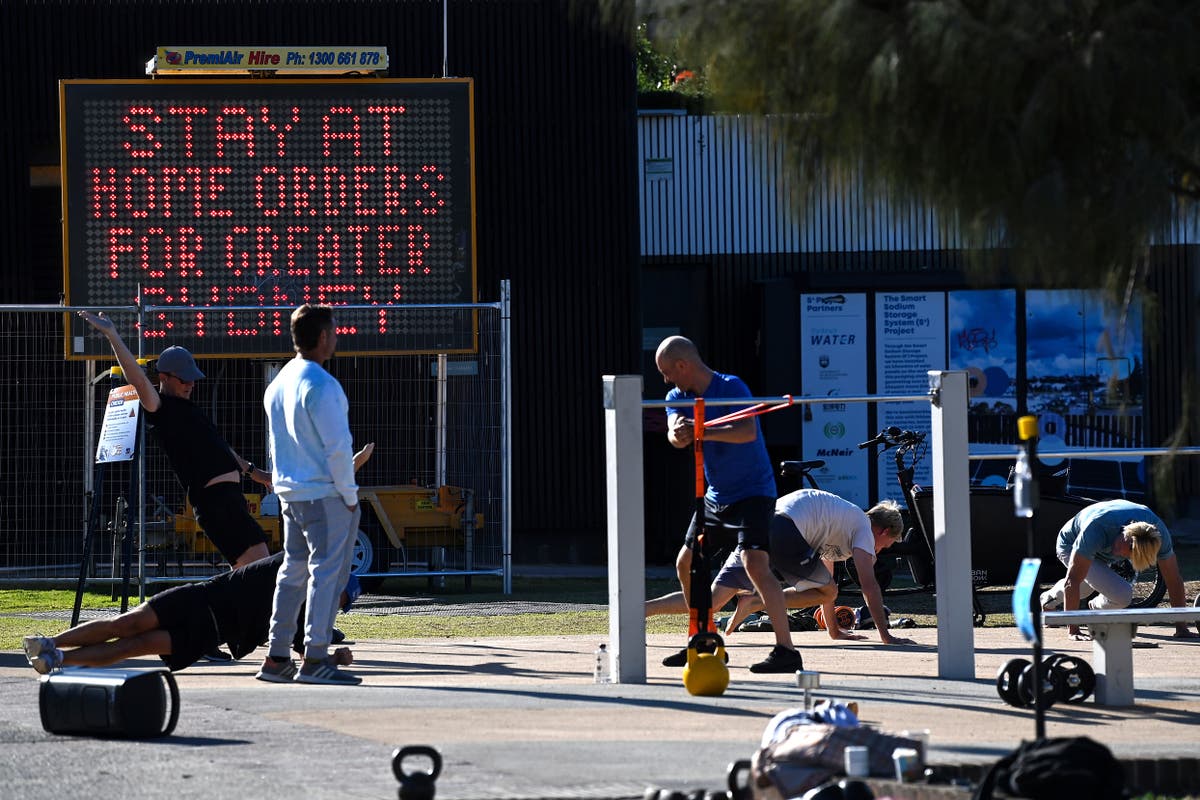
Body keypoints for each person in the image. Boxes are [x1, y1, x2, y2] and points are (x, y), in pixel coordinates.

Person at [78, 311, 273, 570]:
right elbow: (136, 378)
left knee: (252, 572)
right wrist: (112, 334)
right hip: (214, 502)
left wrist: (255, 472)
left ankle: (220, 608)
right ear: (163, 378)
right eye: (183, 379)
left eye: (193, 378)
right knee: (259, 570)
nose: (190, 384)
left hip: (230, 499)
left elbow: (219, 446)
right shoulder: (161, 408)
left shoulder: (190, 408)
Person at [655, 335, 802, 673]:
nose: (665, 379)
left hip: (754, 491)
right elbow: (674, 432)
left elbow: (746, 431)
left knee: (755, 563)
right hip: (716, 495)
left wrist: (702, 430)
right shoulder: (677, 396)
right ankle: (704, 639)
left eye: (667, 371)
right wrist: (679, 432)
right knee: (685, 562)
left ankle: (786, 650)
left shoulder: (731, 386)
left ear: (682, 365)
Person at [647, 489, 917, 646]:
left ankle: (642, 609)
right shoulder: (861, 527)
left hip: (760, 524)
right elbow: (868, 585)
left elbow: (825, 580)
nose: (881, 551)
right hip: (786, 527)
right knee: (828, 590)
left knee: (713, 600)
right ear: (883, 530)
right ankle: (754, 602)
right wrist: (886, 636)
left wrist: (833, 631)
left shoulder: (842, 524)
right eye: (887, 544)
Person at [21, 551, 359, 675]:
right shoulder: (293, 564)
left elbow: (305, 661)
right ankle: (48, 642)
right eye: (338, 595)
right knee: (127, 624)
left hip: (207, 633)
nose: (334, 605)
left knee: (133, 646)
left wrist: (333, 659)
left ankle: (59, 661)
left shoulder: (300, 619)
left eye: (339, 605)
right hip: (200, 598)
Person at [257, 304, 363, 686]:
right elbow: (338, 447)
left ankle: (276, 656)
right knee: (325, 572)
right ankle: (315, 657)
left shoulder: (279, 383)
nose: (336, 337)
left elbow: (277, 444)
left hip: (290, 493)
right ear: (322, 337)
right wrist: (350, 495)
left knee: (292, 571)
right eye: (333, 332)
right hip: (325, 494)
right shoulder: (321, 384)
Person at [1040, 498, 1199, 640]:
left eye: (1130, 554)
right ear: (1127, 530)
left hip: (1100, 547)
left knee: (1091, 585)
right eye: (1126, 544)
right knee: (1109, 591)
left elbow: (1174, 580)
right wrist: (1073, 630)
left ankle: (1057, 602)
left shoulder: (1160, 537)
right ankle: (1060, 603)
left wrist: (1181, 627)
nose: (1122, 551)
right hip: (1070, 543)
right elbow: (1072, 580)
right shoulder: (1098, 528)